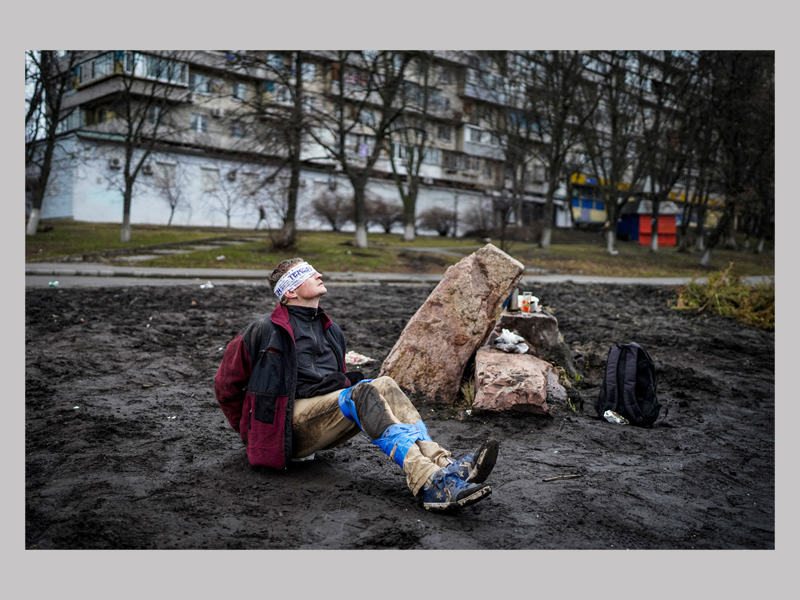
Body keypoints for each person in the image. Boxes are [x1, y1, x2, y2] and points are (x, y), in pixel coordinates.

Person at [214, 257, 499, 511]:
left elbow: (334, 386)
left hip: (318, 420)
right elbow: (225, 385)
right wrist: (253, 433)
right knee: (361, 392)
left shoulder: (331, 331)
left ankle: (445, 466)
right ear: (289, 291)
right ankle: (430, 481)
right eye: (306, 273)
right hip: (285, 428)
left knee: (384, 383)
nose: (318, 274)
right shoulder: (263, 330)